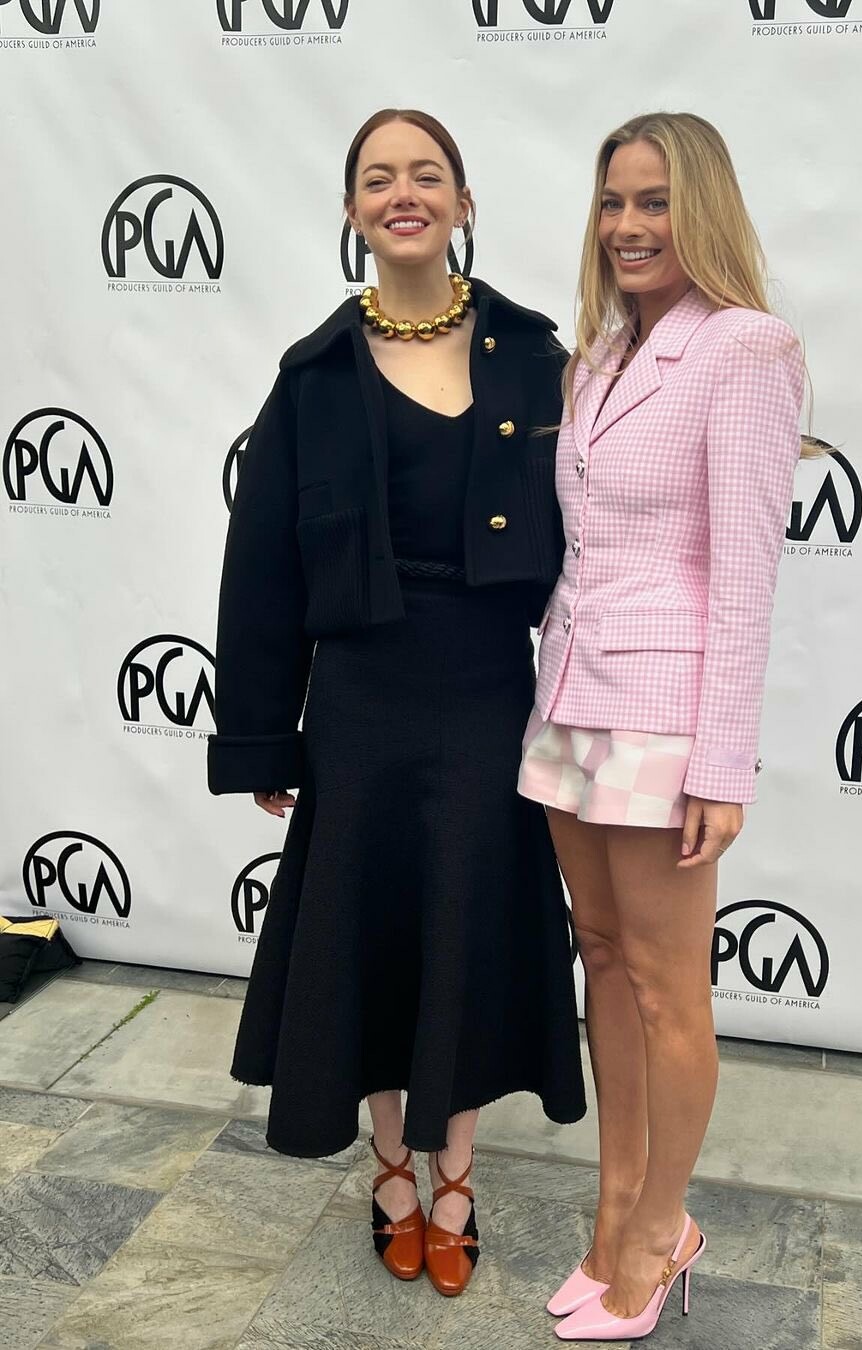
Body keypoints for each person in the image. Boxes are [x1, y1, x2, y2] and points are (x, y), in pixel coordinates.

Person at [208, 107, 586, 1299]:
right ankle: (389, 1169)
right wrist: (263, 735)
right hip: (360, 699)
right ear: (353, 211)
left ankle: (458, 1174)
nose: (403, 193)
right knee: (366, 930)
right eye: (379, 178)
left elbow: (598, 538)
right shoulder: (312, 375)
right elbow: (261, 567)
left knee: (466, 924)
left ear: (464, 204)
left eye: (427, 175)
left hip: (487, 688)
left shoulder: (536, 354)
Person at [517, 111, 809, 1340]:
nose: (629, 226)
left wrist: (722, 764)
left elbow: (744, 574)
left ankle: (661, 1228)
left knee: (666, 989)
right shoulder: (596, 355)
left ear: (704, 209)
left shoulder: (746, 348)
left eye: (655, 202)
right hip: (568, 696)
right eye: (613, 202)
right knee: (600, 954)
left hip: (664, 718)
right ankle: (615, 1210)